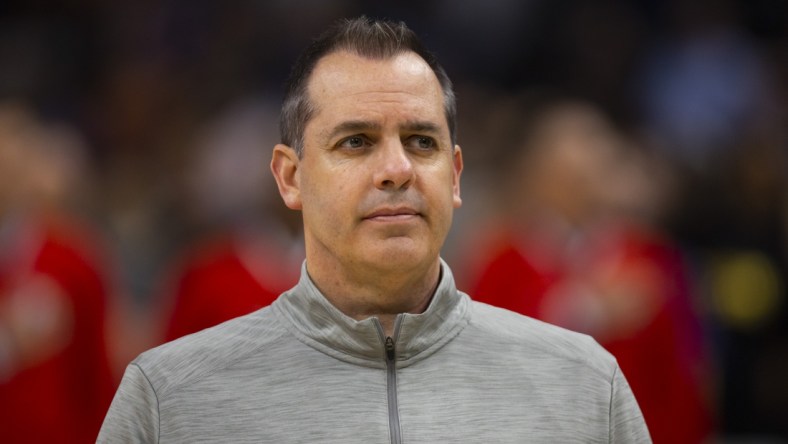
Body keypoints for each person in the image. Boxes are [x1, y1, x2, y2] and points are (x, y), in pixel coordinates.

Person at [98, 17, 651, 442]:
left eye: (421, 142)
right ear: (290, 178)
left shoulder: (586, 386)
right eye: (356, 142)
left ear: (454, 176)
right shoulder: (169, 397)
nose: (397, 169)